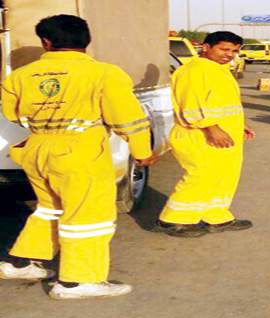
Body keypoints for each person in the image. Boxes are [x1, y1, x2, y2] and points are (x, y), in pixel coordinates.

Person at [0, 14, 157, 299]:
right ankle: (77, 281)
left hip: (36, 148)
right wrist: (142, 152)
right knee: (88, 215)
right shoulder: (104, 73)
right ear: (87, 39)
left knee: (50, 208)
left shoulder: (20, 76)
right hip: (79, 151)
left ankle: (21, 264)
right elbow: (127, 119)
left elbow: (12, 114)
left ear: (46, 42)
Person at [155, 31, 255, 238]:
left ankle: (215, 216)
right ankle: (172, 220)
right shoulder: (195, 71)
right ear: (206, 47)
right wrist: (211, 128)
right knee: (202, 176)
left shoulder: (218, 69)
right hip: (199, 134)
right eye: (224, 49)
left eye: (235, 51)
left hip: (224, 133)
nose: (229, 54)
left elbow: (220, 102)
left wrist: (239, 124)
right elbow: (190, 105)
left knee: (224, 176)